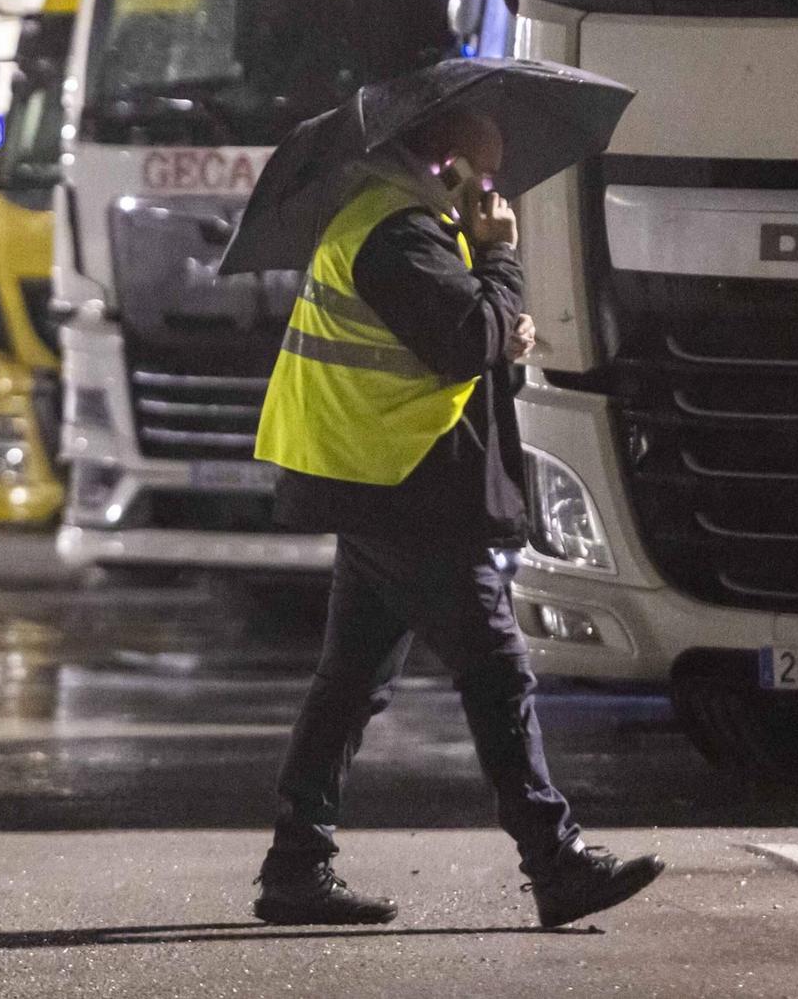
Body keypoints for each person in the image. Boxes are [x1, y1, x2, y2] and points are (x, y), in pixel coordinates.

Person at [248, 107, 663, 930]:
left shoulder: (399, 223)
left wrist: (498, 312)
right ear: (445, 163)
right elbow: (464, 334)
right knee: (496, 670)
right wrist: (503, 266)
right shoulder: (397, 236)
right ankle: (555, 859)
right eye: (485, 172)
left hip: (386, 478)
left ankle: (295, 864)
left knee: (350, 684)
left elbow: (466, 330)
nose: (493, 189)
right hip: (409, 488)